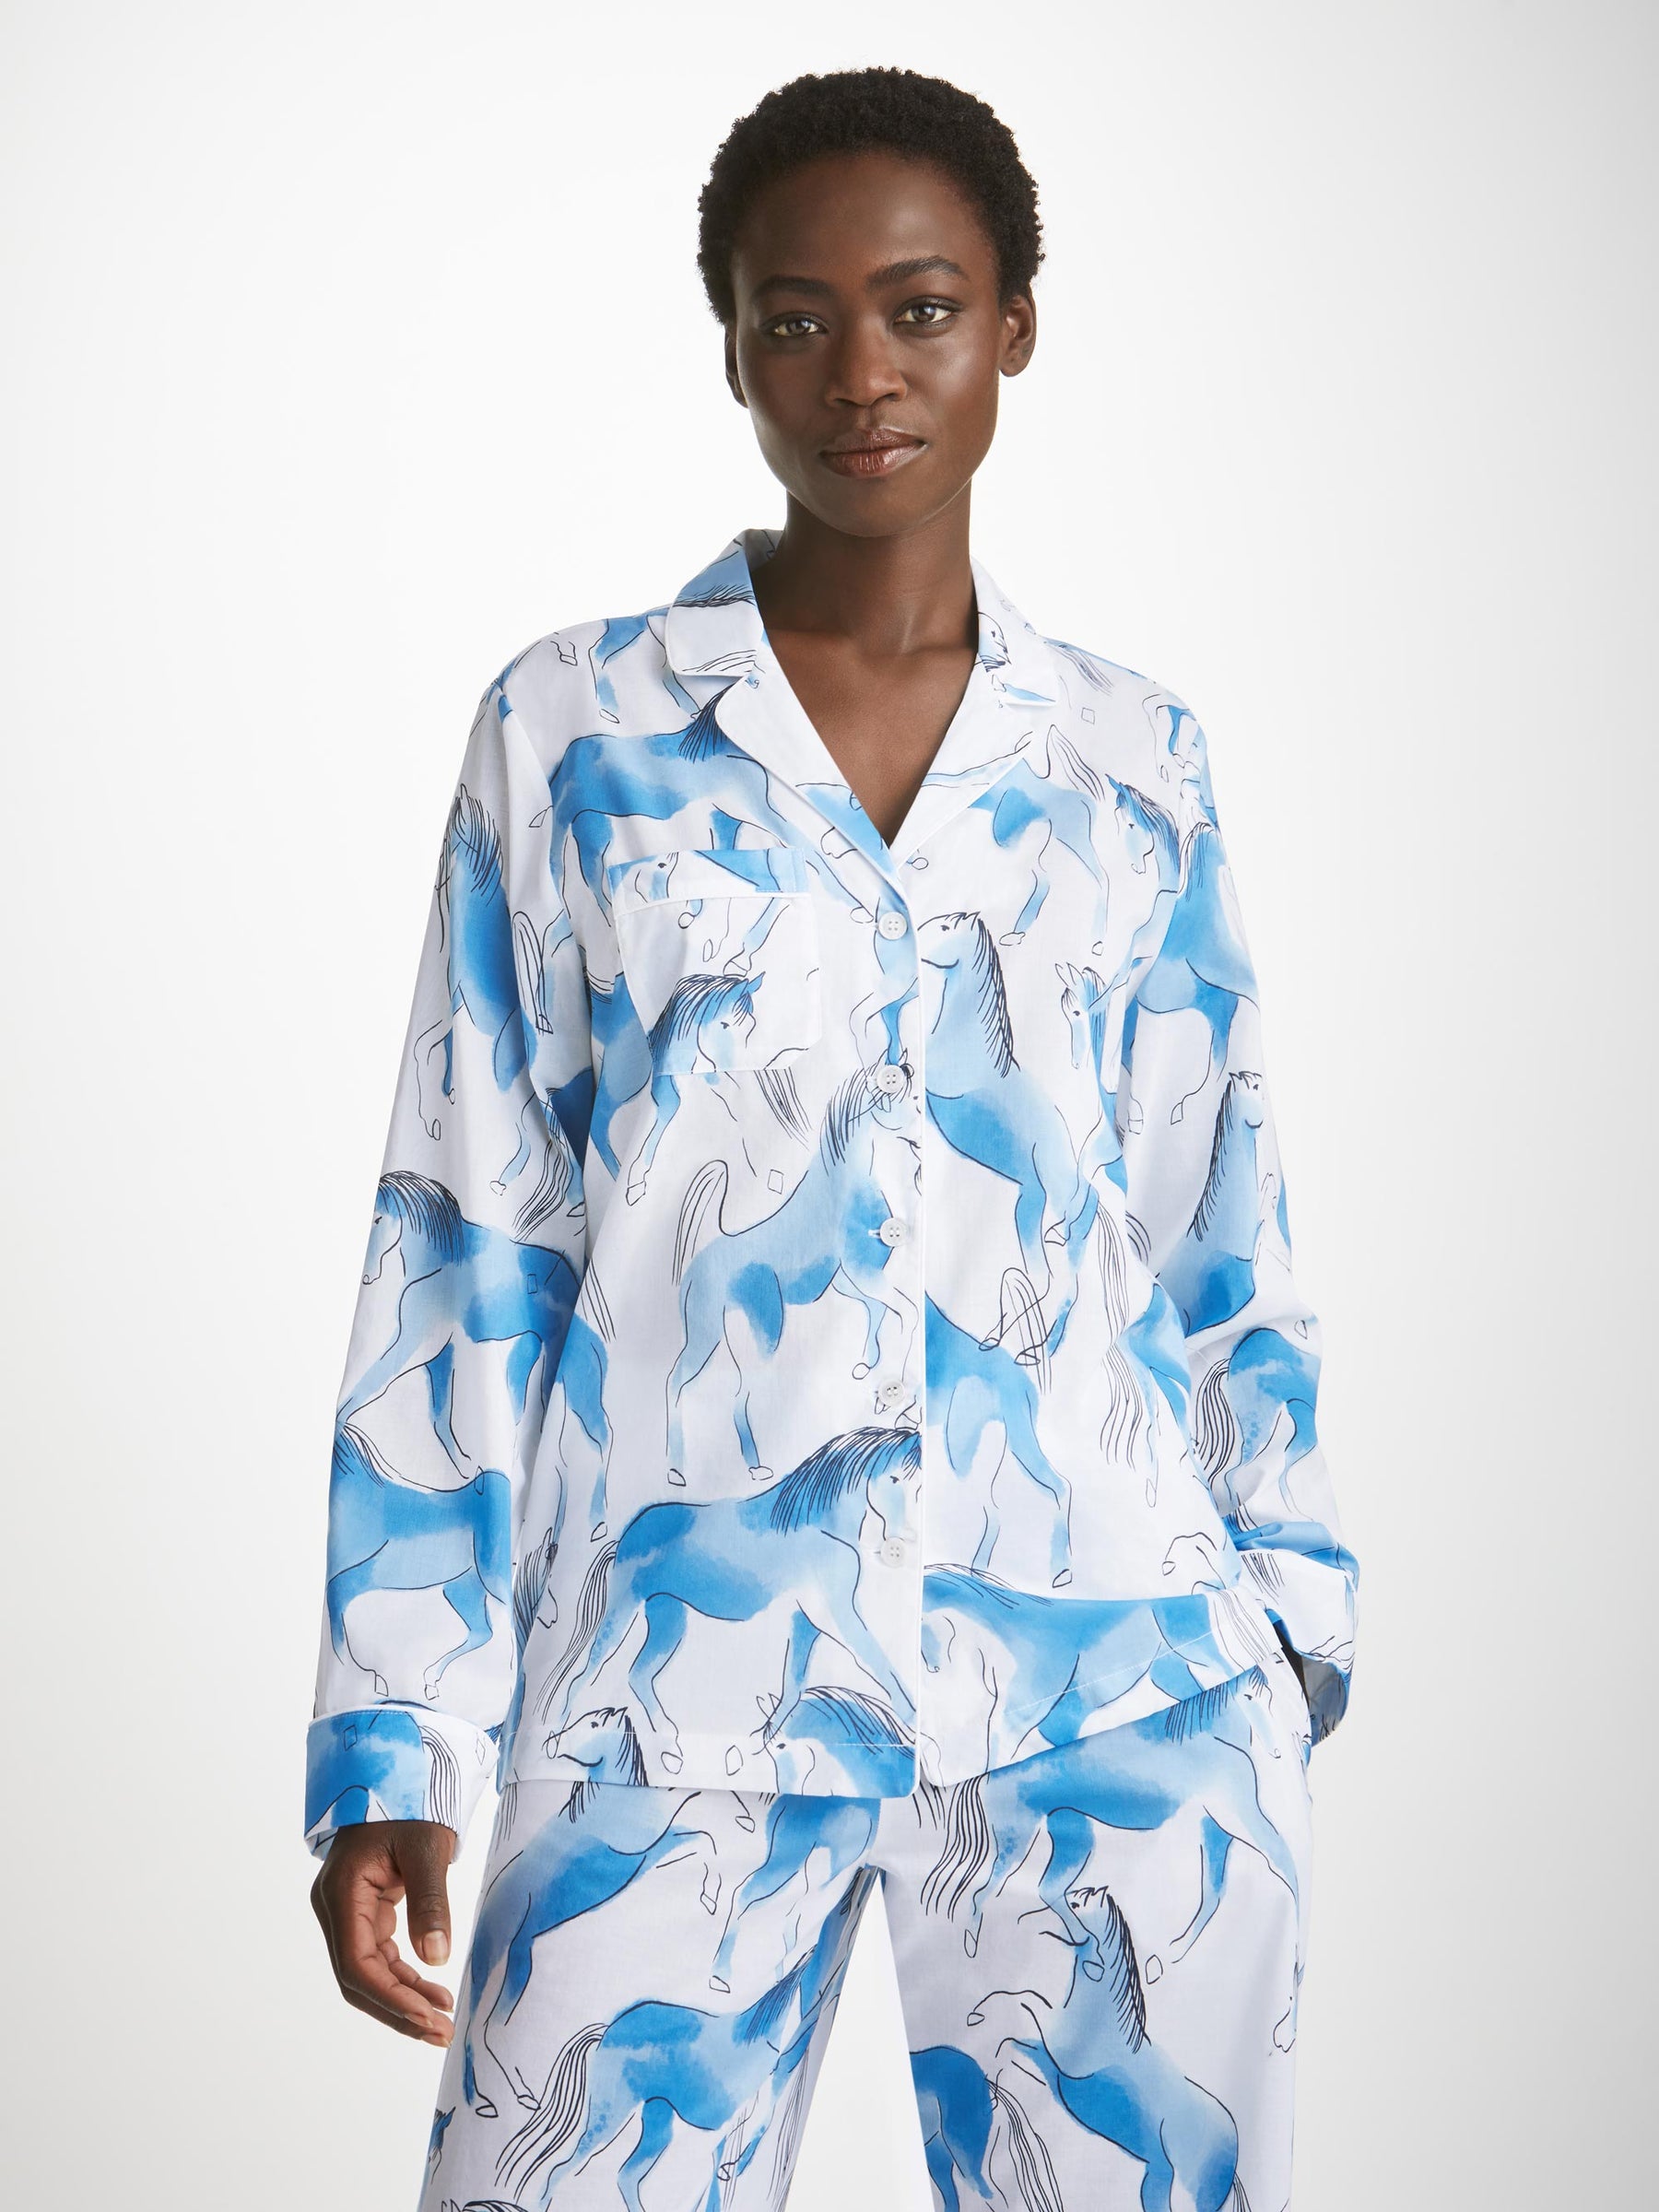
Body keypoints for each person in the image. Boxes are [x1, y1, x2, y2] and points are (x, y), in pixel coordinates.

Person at [305, 64, 1358, 2212]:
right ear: (731, 347)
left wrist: (1289, 1631)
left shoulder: (1133, 759)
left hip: (1116, 1700)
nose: (861, 372)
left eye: (921, 308)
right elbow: (467, 1233)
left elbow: (1214, 1213)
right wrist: (398, 1725)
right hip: (665, 1694)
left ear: (1014, 326)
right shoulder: (571, 732)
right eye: (795, 318)